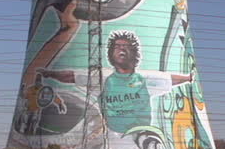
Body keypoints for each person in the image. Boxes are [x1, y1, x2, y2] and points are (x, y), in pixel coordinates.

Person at [39, 29, 192, 135]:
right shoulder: (102, 78)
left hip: (141, 135)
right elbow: (72, 77)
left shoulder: (143, 79)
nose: (122, 50)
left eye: (126, 47)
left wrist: (189, 78)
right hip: (113, 137)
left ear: (134, 53)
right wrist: (51, 74)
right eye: (117, 47)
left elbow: (168, 79)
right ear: (111, 53)